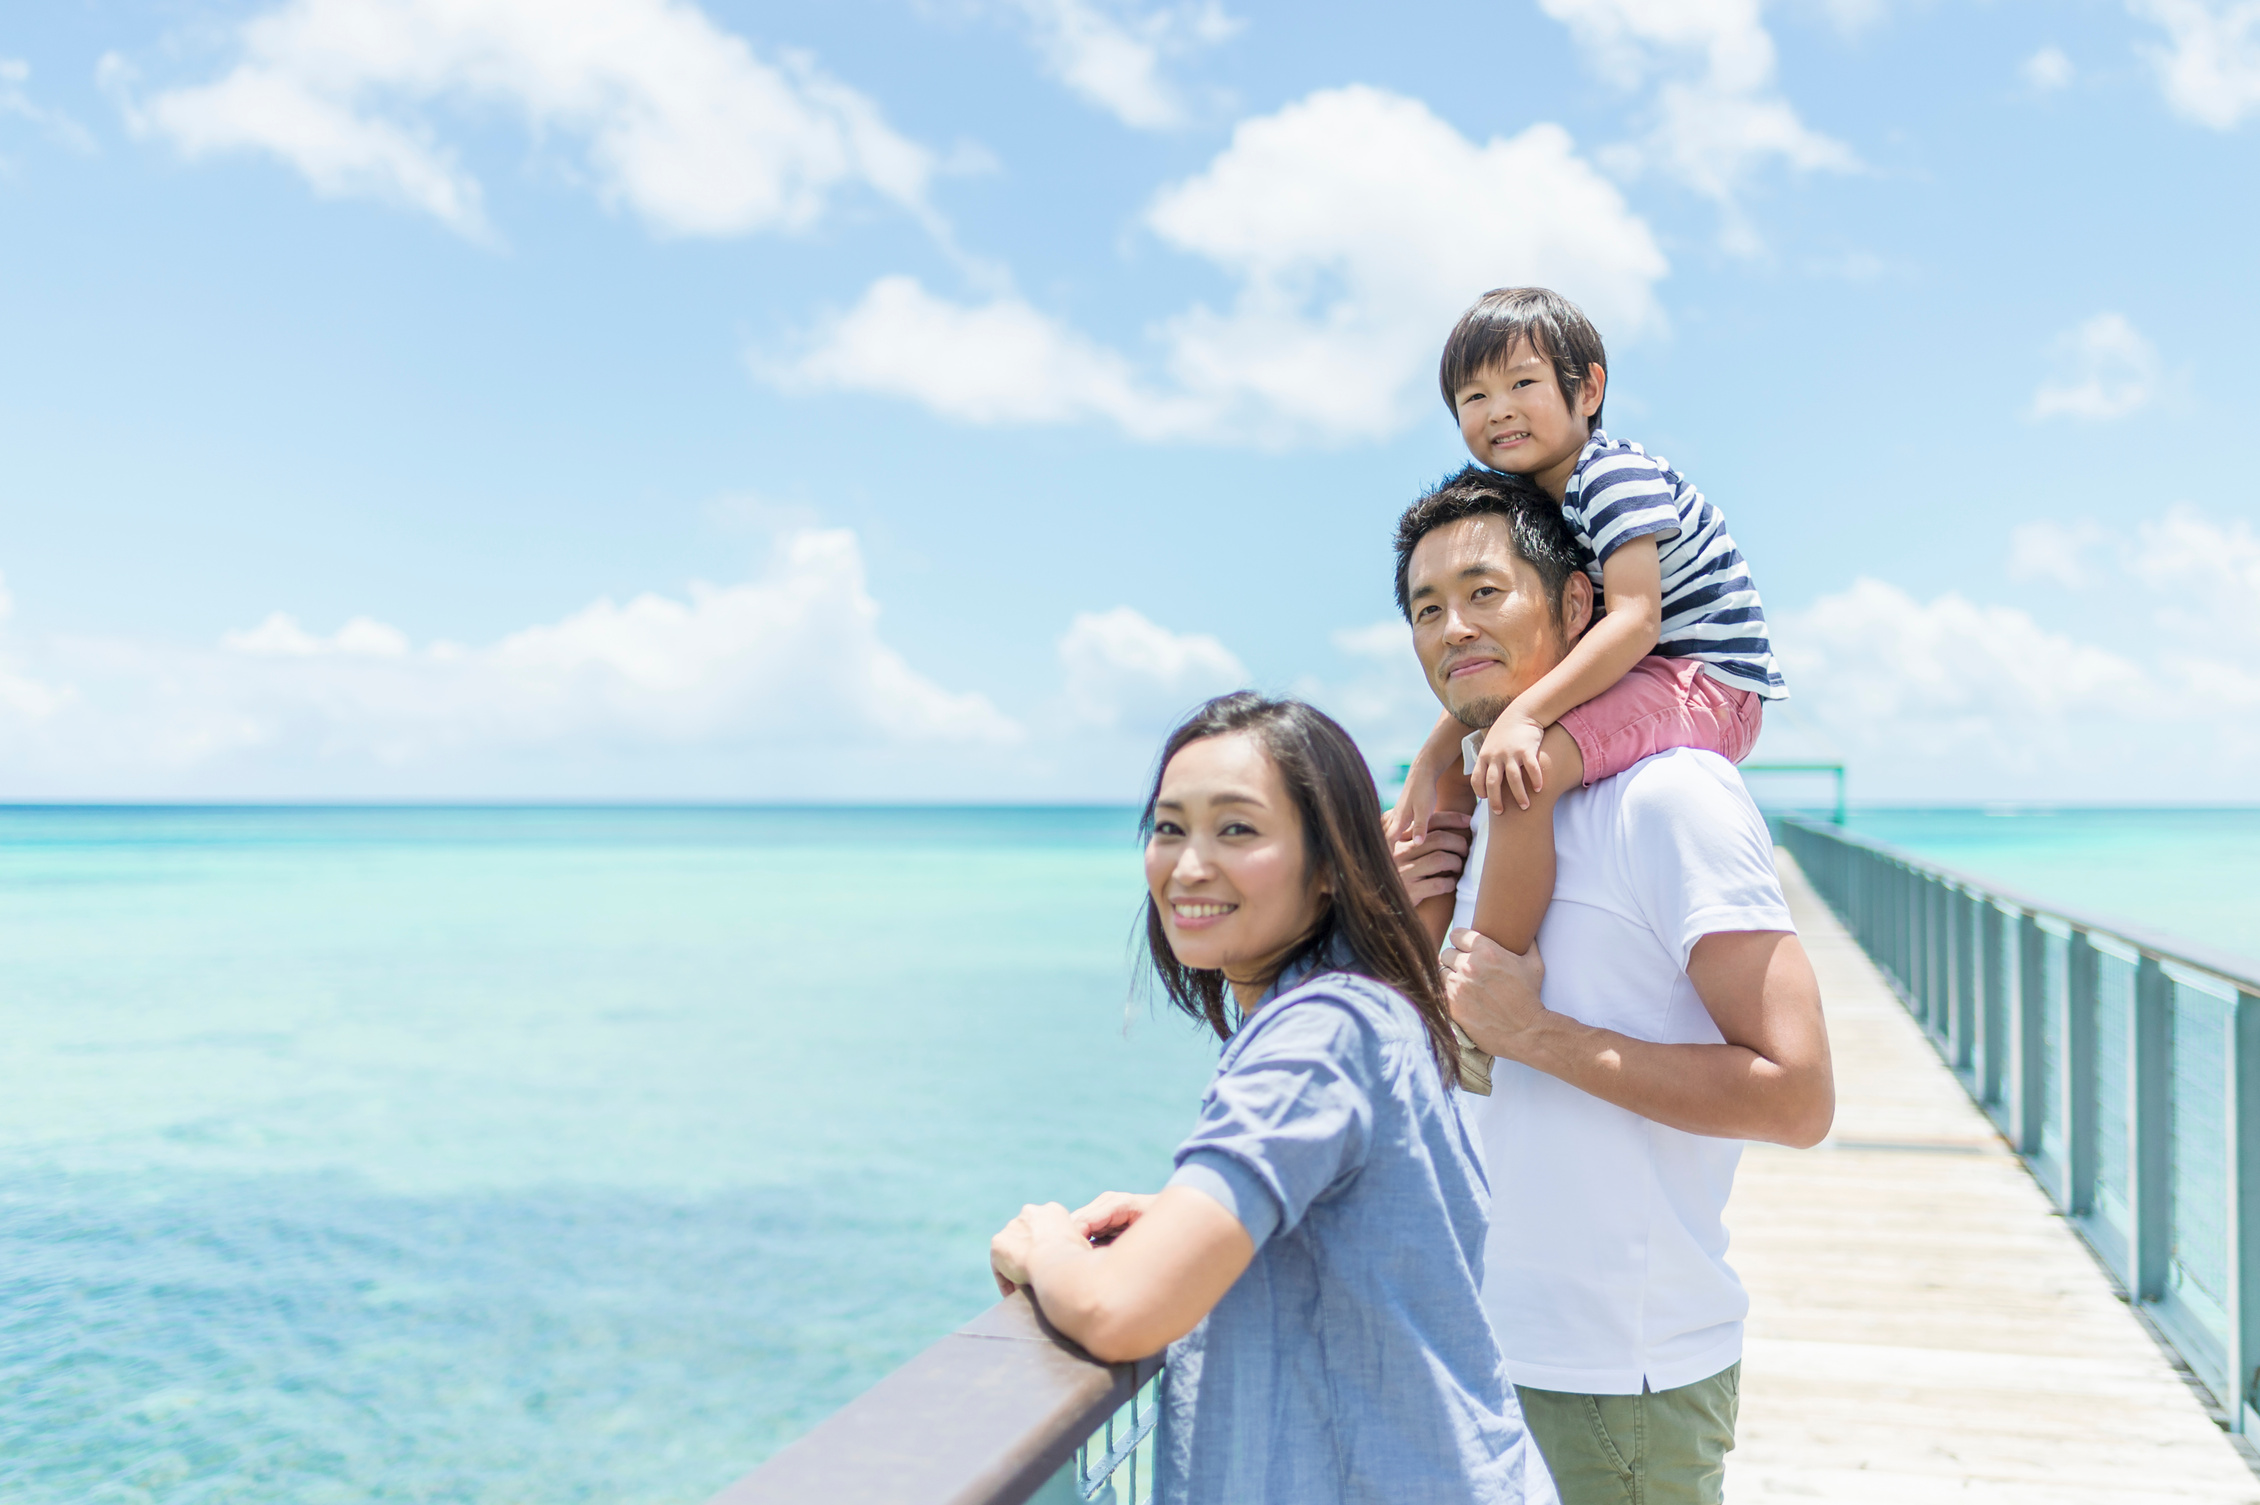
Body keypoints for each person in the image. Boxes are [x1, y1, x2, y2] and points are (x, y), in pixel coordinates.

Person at [988, 693, 1557, 1505]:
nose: (1188, 864)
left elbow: (1122, 1310)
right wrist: (1193, 1220)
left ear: (1330, 865)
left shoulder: (1316, 1036)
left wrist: (1046, 1245)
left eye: (1237, 829)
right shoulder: (1373, 1004)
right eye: (1169, 826)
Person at [1390, 470, 1834, 1505]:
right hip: (1466, 1350)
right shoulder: (1479, 808)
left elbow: (1798, 1093)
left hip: (1612, 1378)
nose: (1452, 626)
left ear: (1580, 606)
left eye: (1484, 590)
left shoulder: (1673, 794)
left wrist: (1538, 1034)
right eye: (1423, 607)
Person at [1394, 287, 1789, 956]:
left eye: (1523, 383)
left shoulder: (1610, 475)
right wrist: (1431, 759)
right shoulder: (1539, 502)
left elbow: (1635, 620)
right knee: (1463, 771)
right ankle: (1423, 962)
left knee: (1530, 768)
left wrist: (1523, 718)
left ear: (1588, 390)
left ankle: (1486, 970)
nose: (1501, 410)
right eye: (1475, 398)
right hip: (1649, 668)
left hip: (1707, 680)